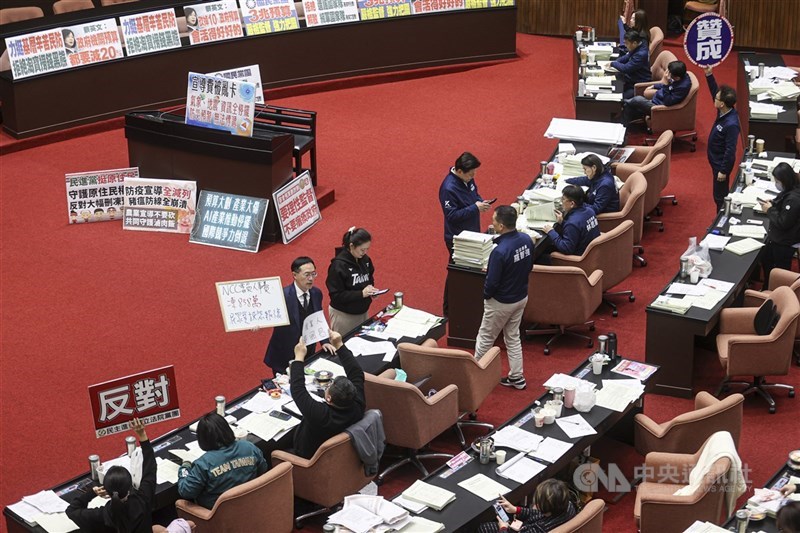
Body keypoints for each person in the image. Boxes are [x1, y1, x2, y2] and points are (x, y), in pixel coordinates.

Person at [474, 206, 534, 390]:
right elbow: (529, 266)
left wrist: (486, 296)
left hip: (501, 302)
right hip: (521, 297)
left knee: (485, 338)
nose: (491, 222)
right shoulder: (526, 239)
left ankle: (475, 378)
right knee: (513, 337)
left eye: (493, 220)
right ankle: (517, 377)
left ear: (500, 225)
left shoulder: (499, 251)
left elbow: (491, 283)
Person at [66, 418, 156, 532]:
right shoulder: (143, 499)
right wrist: (142, 434)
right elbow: (150, 468)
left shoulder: (102, 515)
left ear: (106, 491)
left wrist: (91, 493)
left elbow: (71, 511)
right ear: (130, 488)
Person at [289, 329, 365, 458]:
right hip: (343, 455)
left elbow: (297, 390)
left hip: (309, 456)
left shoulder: (320, 415)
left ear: (328, 398)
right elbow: (356, 373)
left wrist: (299, 357)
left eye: (329, 386)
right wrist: (339, 344)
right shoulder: (358, 403)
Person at [177, 412, 268, 509]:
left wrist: (184, 468)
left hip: (217, 516)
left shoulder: (203, 464)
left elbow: (186, 491)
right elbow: (263, 470)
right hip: (252, 505)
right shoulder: (249, 447)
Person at [439, 152, 492, 315]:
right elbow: (452, 216)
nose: (474, 176)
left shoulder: (468, 178)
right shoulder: (449, 188)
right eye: (471, 174)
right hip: (457, 238)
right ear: (460, 171)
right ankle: (448, 309)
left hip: (472, 233)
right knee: (456, 271)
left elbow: (474, 195)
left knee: (470, 269)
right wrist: (475, 208)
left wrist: (480, 202)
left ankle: (465, 303)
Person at [263, 256, 334, 377]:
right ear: (294, 275)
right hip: (284, 352)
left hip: (308, 350)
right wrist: (257, 324)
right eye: (307, 275)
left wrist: (325, 341)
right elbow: (266, 315)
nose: (311, 278)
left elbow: (318, 318)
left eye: (313, 274)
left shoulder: (316, 293)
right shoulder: (282, 295)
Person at [326, 227, 379, 335]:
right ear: (351, 246)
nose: (365, 252)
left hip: (363, 312)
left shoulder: (365, 260)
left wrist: (371, 290)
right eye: (362, 249)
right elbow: (336, 295)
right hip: (343, 315)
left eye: (367, 249)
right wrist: (361, 294)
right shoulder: (338, 266)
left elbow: (369, 279)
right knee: (344, 347)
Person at [703, 65, 741, 212]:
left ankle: (721, 219)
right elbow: (715, 92)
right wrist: (709, 75)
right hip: (715, 160)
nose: (714, 99)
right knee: (717, 194)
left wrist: (723, 171)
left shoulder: (731, 124)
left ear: (722, 104)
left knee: (720, 196)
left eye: (717, 99)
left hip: (721, 164)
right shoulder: (724, 111)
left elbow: (731, 150)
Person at [478, 479, 577, 533]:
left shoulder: (539, 529)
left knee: (484, 528)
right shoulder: (568, 506)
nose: (534, 504)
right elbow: (539, 513)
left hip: (526, 528)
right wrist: (516, 509)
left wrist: (503, 528)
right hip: (531, 525)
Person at [758, 163, 800, 282]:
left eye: (777, 181)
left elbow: (783, 222)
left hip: (786, 241)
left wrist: (769, 210)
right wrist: (773, 203)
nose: (776, 184)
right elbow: (782, 198)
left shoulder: (793, 199)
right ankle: (767, 283)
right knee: (765, 257)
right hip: (779, 237)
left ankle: (777, 287)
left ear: (785, 180)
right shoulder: (792, 188)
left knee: (779, 268)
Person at [622, 60, 691, 127]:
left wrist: (666, 84)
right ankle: (624, 126)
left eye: (670, 74)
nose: (667, 75)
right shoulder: (680, 76)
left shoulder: (682, 87)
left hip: (660, 107)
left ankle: (622, 102)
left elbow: (668, 102)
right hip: (657, 99)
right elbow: (668, 85)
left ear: (677, 78)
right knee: (629, 105)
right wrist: (655, 86)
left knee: (638, 100)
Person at [542, 185, 601, 257]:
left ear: (572, 204)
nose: (561, 202)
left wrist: (551, 232)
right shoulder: (590, 211)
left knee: (542, 255)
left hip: (579, 258)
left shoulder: (572, 223)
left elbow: (566, 249)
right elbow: (578, 230)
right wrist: (562, 223)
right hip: (592, 252)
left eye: (563, 199)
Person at [611, 30, 651, 100]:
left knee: (619, 98)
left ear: (634, 43)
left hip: (638, 84)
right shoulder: (639, 45)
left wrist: (613, 63)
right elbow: (627, 56)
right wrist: (616, 61)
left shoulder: (640, 54)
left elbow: (626, 69)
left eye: (627, 43)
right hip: (631, 78)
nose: (625, 46)